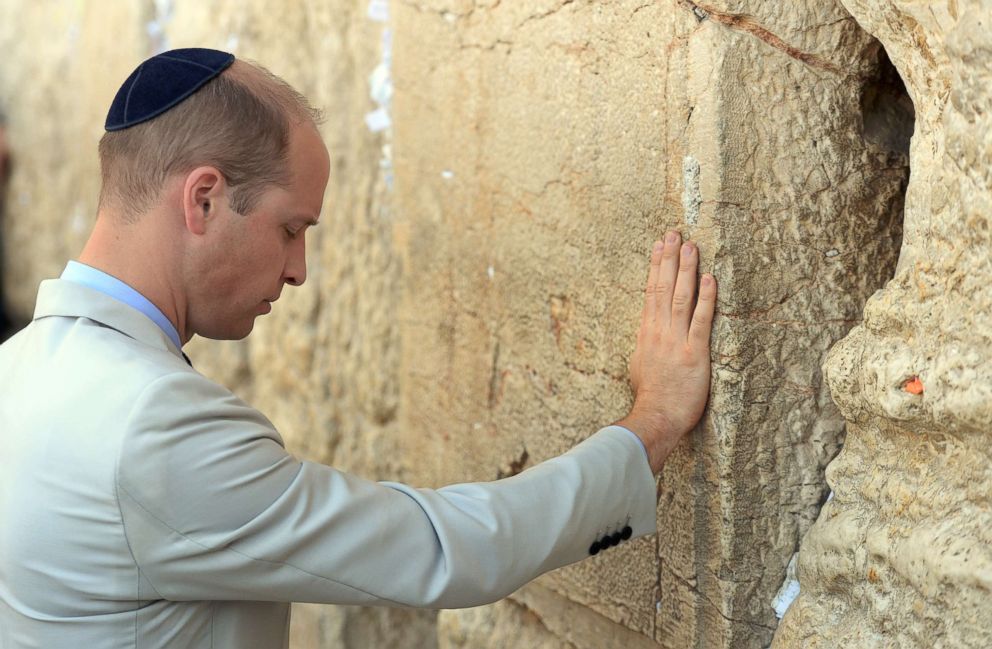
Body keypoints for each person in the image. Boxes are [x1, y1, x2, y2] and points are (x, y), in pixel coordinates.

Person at [0, 48, 717, 648]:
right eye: (291, 228)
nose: (298, 269)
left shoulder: (16, 369)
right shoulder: (152, 425)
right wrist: (652, 420)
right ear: (204, 199)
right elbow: (444, 548)